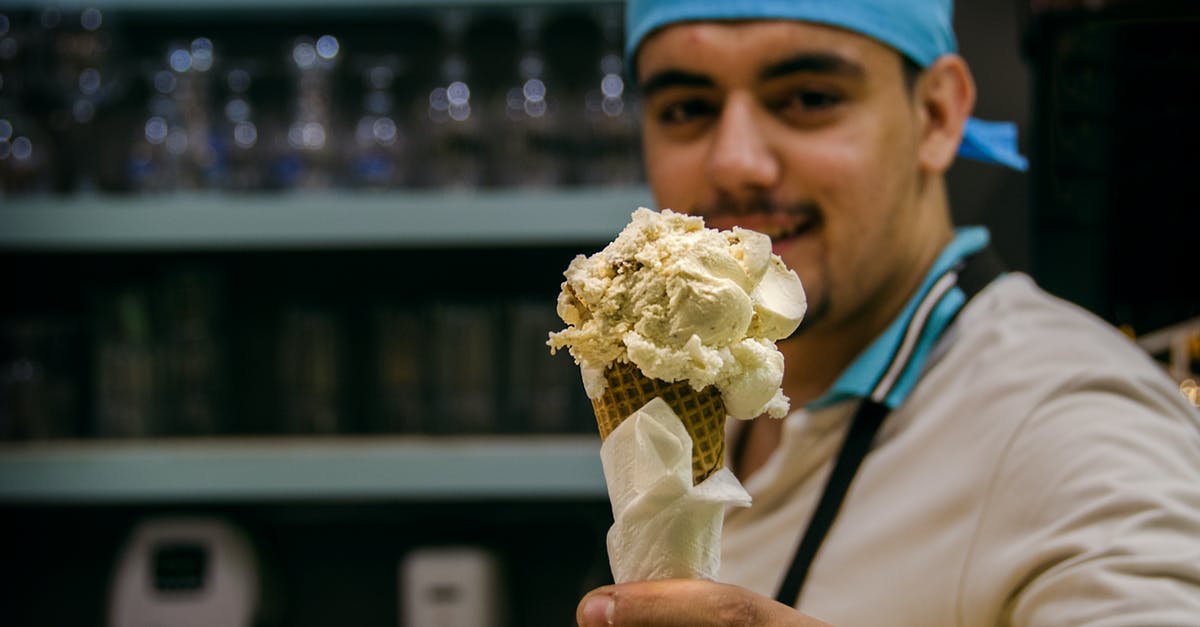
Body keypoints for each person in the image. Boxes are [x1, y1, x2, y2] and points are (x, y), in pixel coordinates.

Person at [575, 0, 1200, 625]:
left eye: (810, 97)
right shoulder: (706, 387)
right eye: (686, 109)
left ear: (935, 115)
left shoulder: (1074, 421)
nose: (736, 162)